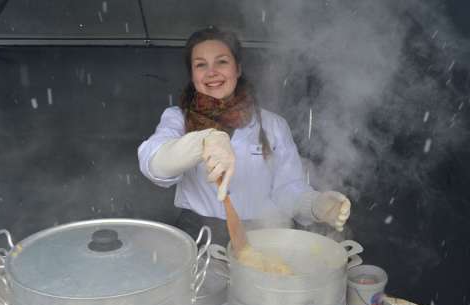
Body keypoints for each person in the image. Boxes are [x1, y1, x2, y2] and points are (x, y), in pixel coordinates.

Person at [138, 26, 351, 245]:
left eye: (222, 61)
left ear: (238, 69)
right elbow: (154, 164)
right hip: (199, 237)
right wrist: (204, 141)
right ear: (193, 76)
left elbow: (287, 189)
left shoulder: (273, 125)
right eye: (201, 65)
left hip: (264, 235)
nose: (211, 72)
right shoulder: (177, 118)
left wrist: (316, 204)